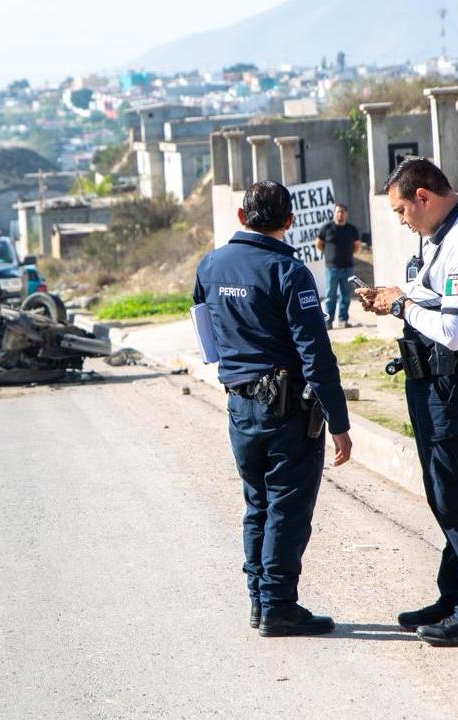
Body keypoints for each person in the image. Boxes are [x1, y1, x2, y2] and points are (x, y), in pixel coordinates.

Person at [356, 158, 458, 647]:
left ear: (424, 196)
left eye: (403, 210)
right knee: (445, 494)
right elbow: (433, 299)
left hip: (452, 386)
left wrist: (400, 305)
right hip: (430, 384)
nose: (402, 221)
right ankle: (454, 598)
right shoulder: (441, 235)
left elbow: (453, 329)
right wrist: (396, 295)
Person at [193, 180, 353, 637]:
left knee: (257, 504)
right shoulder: (290, 271)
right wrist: (339, 423)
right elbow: (315, 355)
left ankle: (259, 604)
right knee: (286, 506)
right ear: (289, 221)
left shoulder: (210, 265)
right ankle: (279, 606)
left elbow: (206, 336)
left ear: (242, 218)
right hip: (288, 414)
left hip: (240, 407)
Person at [315, 203, 361, 330]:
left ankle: (343, 320)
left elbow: (356, 246)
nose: (340, 214)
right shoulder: (326, 228)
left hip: (348, 267)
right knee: (330, 296)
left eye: (342, 212)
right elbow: (319, 244)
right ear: (334, 213)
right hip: (331, 268)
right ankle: (328, 323)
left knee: (346, 296)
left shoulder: (352, 229)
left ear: (346, 214)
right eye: (338, 212)